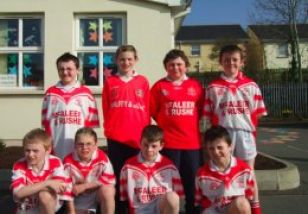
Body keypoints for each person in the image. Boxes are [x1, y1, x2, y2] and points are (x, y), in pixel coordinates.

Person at [150, 49, 204, 213]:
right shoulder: (159, 86)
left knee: (192, 186)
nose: (175, 68)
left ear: (186, 66)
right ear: (166, 67)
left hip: (192, 144)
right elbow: (153, 110)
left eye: (179, 64)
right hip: (169, 144)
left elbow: (200, 110)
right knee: (168, 186)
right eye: (171, 64)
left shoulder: (195, 86)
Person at [102, 44, 150, 210]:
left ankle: (137, 208)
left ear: (135, 60)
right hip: (116, 137)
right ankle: (120, 209)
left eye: (130, 59)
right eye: (122, 59)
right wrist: (110, 129)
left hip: (137, 138)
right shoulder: (110, 81)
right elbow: (106, 108)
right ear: (116, 60)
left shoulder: (143, 81)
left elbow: (147, 108)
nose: (126, 62)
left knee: (136, 176)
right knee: (117, 176)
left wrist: (146, 134)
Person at [203, 44, 267, 169]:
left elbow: (258, 113)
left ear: (242, 62)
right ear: (220, 62)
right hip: (222, 135)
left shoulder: (251, 85)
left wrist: (243, 123)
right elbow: (207, 116)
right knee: (224, 169)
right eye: (226, 60)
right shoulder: (213, 87)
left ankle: (249, 189)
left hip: (245, 133)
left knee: (248, 171)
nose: (230, 63)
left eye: (235, 59)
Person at [41, 52, 99, 160]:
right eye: (61, 69)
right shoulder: (50, 93)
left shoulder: (86, 94)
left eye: (69, 69)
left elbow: (91, 128)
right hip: (55, 150)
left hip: (81, 152)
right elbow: (45, 124)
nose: (65, 72)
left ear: (77, 70)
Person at [195, 125, 261, 214]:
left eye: (220, 147)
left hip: (234, 209)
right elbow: (199, 202)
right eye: (211, 148)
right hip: (214, 210)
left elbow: (250, 198)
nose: (216, 152)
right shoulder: (202, 174)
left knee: (242, 203)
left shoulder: (244, 170)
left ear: (230, 146)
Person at [119, 125, 184, 214]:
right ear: (140, 142)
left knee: (173, 197)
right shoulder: (128, 166)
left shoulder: (169, 167)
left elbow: (179, 196)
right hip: (138, 211)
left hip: (161, 210)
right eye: (145, 145)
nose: (149, 149)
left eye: (154, 146)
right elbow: (123, 198)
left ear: (161, 146)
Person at [11, 128, 73, 214]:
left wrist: (28, 189)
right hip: (27, 209)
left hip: (49, 206)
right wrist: (47, 183)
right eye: (27, 150)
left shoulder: (55, 161)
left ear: (48, 150)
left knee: (44, 195)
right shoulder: (19, 165)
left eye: (35, 151)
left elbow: (59, 187)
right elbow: (18, 193)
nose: (30, 155)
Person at [63, 127, 115, 214]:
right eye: (80, 144)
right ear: (75, 145)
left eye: (89, 144)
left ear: (95, 145)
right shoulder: (68, 161)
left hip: (96, 197)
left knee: (109, 189)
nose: (84, 148)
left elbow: (110, 180)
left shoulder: (102, 157)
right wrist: (71, 211)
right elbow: (66, 189)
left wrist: (85, 186)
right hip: (76, 200)